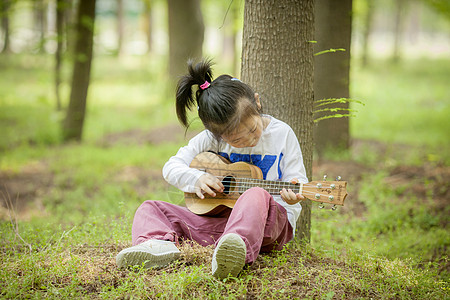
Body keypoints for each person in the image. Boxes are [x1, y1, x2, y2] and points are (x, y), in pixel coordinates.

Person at [116, 59, 308, 279]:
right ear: (217, 135)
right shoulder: (210, 138)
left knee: (256, 194)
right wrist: (197, 179)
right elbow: (171, 167)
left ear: (257, 103)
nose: (249, 139)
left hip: (269, 226)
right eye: (237, 139)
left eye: (253, 129)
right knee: (151, 208)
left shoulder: (282, 134)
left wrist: (293, 198)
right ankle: (157, 246)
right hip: (220, 225)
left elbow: (297, 180)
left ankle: (237, 250)